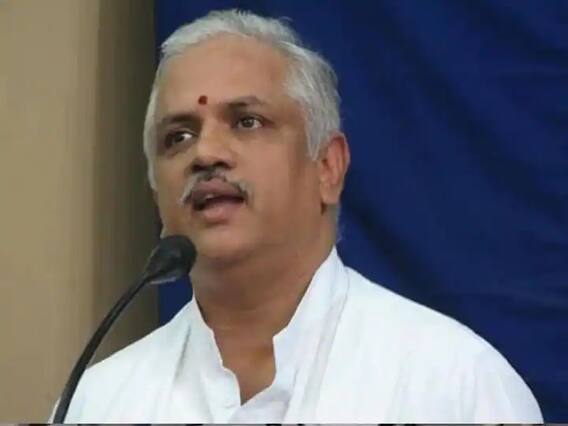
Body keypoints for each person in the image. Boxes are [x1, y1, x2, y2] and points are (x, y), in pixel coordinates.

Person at [57, 9, 543, 423]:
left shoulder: (455, 385)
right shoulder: (98, 403)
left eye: (247, 122)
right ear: (155, 194)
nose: (205, 153)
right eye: (178, 137)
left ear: (327, 167)